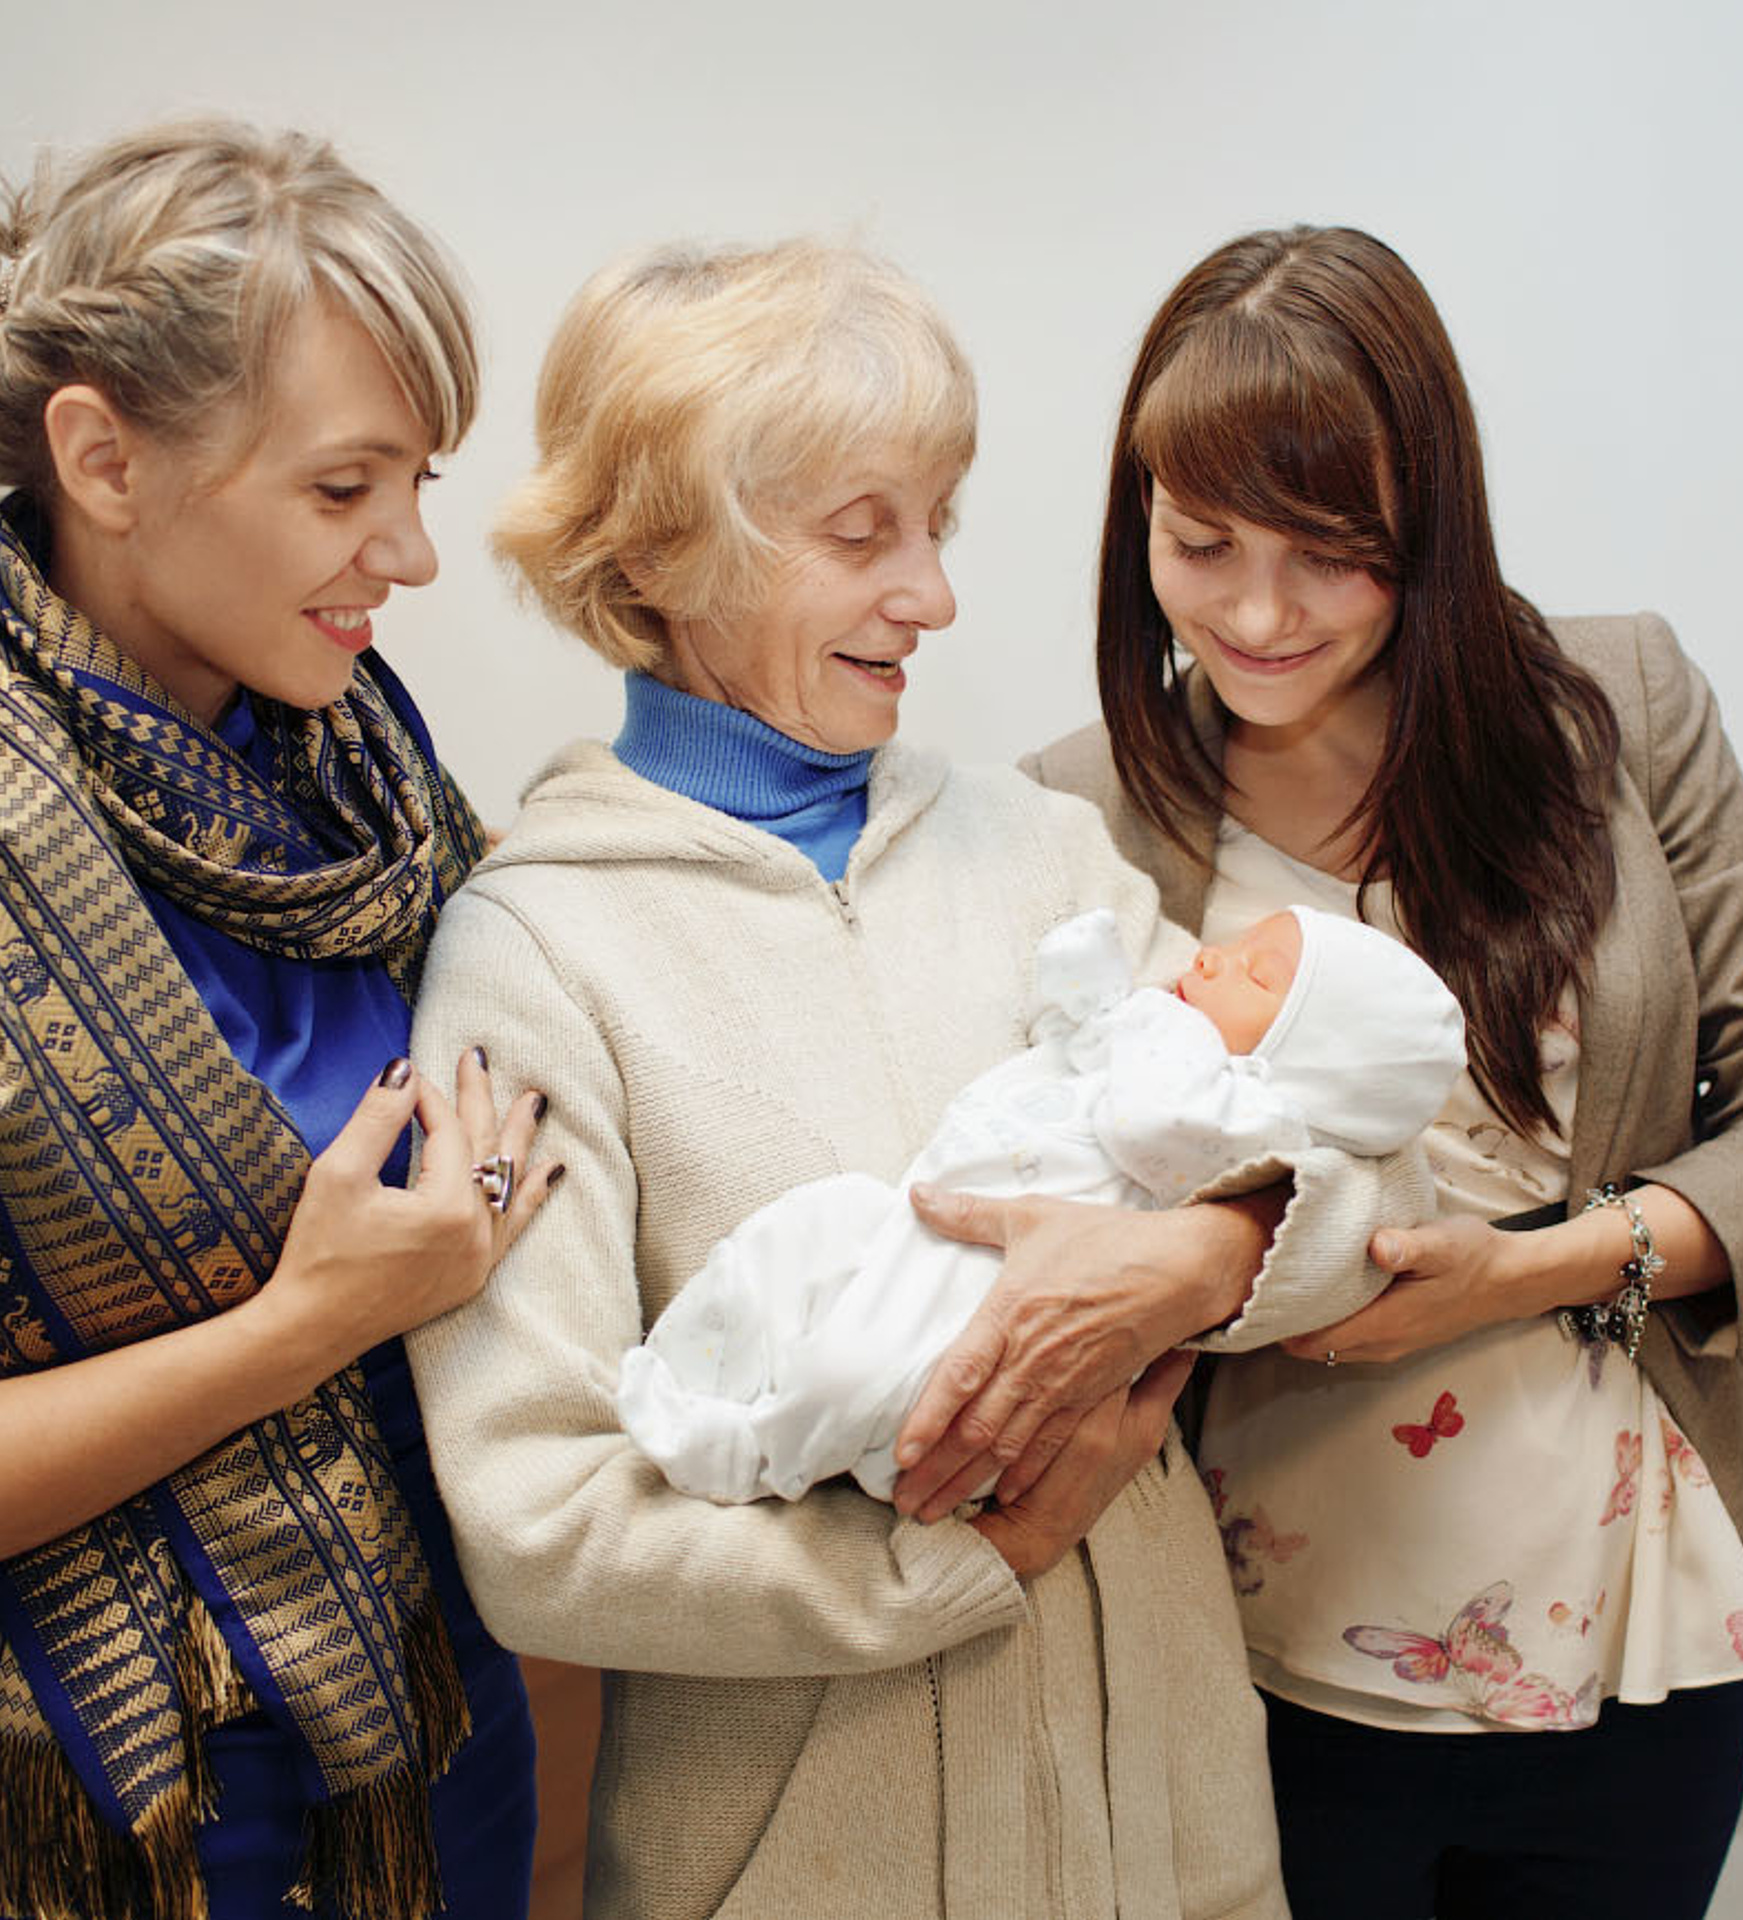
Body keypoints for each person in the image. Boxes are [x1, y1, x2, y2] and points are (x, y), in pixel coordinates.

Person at [402, 238, 1439, 1920]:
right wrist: (951, 1561)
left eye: (938, 523)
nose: (935, 596)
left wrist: (1206, 1256)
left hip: (1170, 1838)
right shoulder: (537, 955)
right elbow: (540, 1523)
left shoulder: (1039, 854)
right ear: (669, 547)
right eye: (862, 531)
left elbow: (1368, 1177)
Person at [927, 225, 1743, 1919]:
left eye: (1331, 554)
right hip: (1256, 1645)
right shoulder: (1079, 811)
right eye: (1200, 543)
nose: (1258, 614)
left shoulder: (1619, 704)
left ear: (1427, 525)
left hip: (1636, 1630)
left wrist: (1534, 1271)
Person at [0, 123, 555, 1920]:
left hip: (439, 1715)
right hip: (130, 1807)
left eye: (419, 483)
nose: (409, 553)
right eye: (342, 490)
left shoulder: (359, 775)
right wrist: (307, 1325)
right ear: (102, 458)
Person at [617, 902, 1464, 1504]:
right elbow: (1065, 1033)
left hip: (992, 1289)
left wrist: (1151, 1027)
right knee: (808, 1227)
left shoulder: (1248, 1113)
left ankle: (766, 1450)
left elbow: (1148, 1121)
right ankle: (696, 1373)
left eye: (1256, 974)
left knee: (859, 1360)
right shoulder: (1168, 1043)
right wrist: (1088, 986)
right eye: (1230, 944)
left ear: (1309, 1056)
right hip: (927, 1218)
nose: (1207, 957)